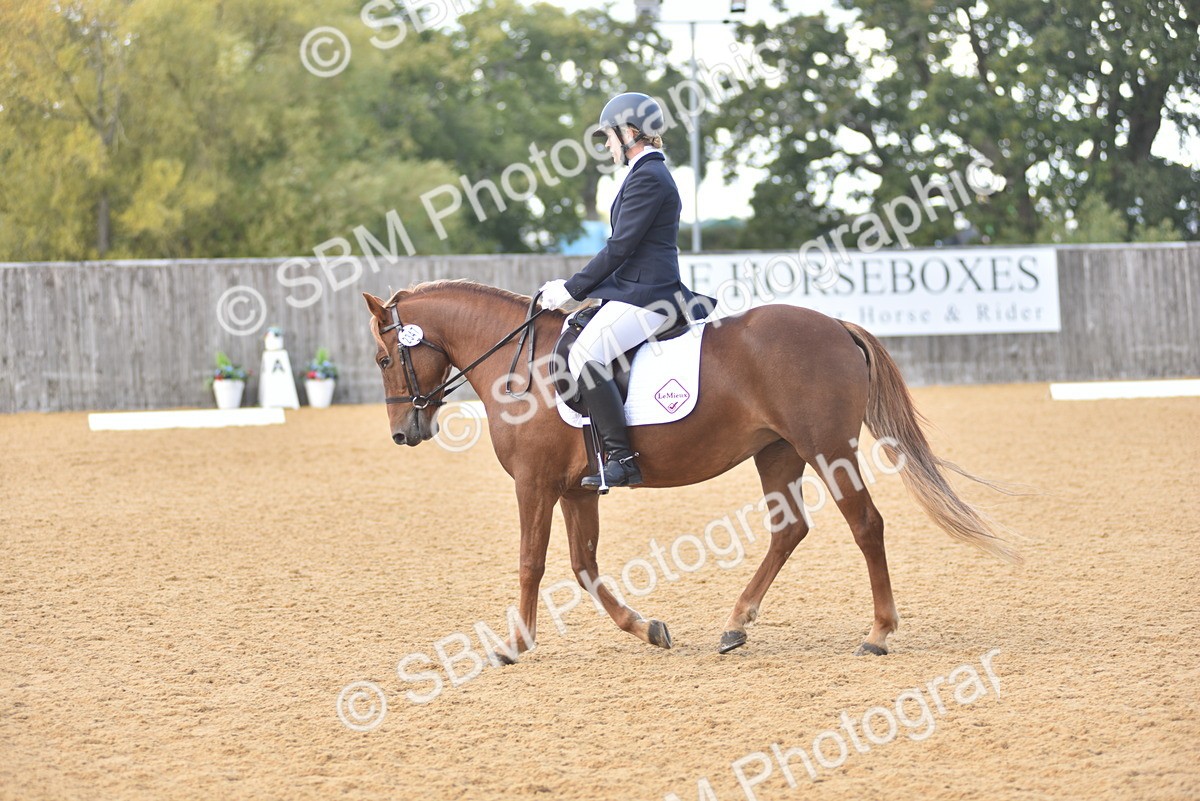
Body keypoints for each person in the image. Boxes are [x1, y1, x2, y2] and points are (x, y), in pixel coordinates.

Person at [538, 92, 711, 490]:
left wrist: (573, 288)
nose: (608, 145)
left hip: (650, 294)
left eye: (610, 137)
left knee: (584, 353)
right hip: (636, 289)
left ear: (630, 132)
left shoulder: (649, 176)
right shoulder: (643, 173)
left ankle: (622, 458)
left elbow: (621, 247)